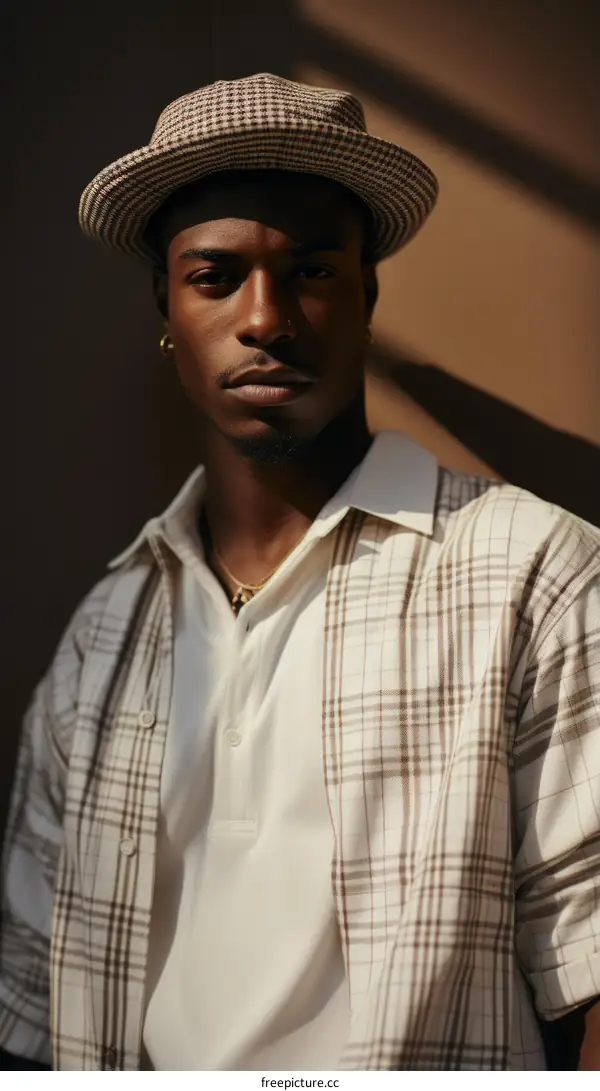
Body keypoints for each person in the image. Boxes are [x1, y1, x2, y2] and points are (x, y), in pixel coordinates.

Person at [0, 72, 599, 1073]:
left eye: (313, 271)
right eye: (216, 275)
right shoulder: (104, 633)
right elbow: (26, 1000)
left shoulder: (535, 574)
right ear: (165, 305)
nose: (267, 317)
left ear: (370, 292)